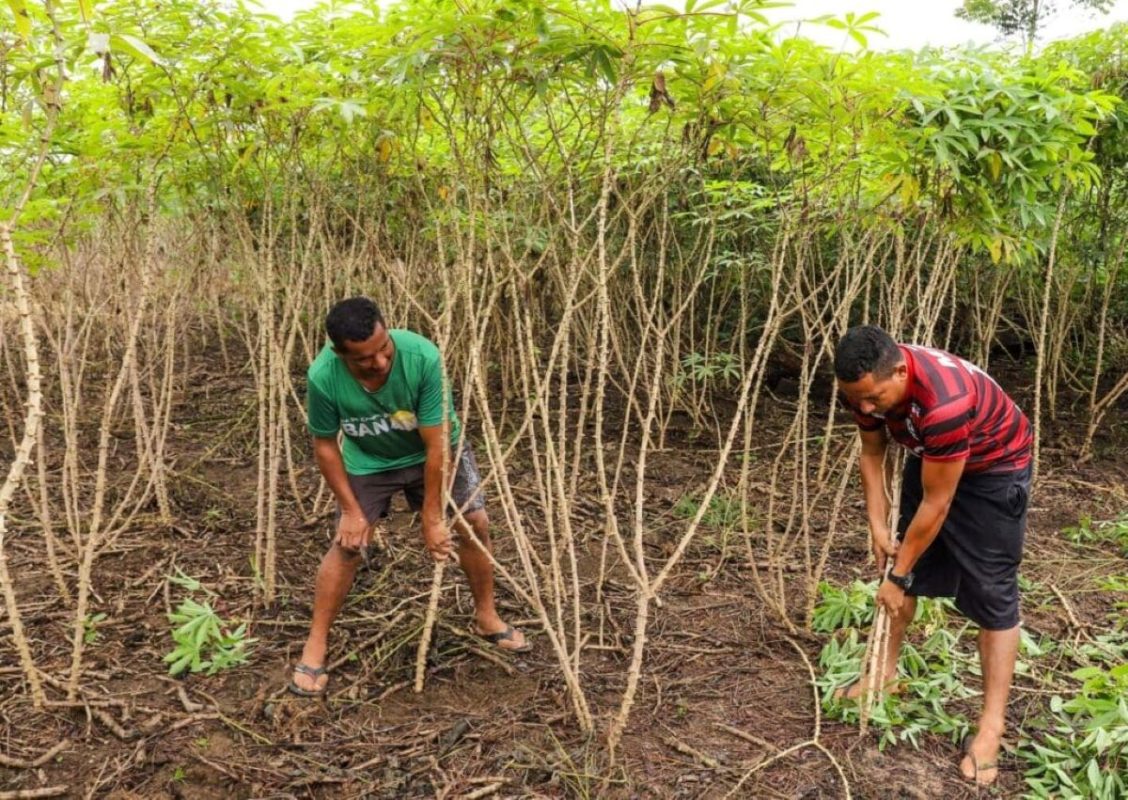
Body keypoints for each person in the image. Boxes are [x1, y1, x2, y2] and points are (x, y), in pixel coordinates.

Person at [289, 297, 530, 698]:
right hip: (368, 461)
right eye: (365, 359)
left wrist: (432, 516)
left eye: (384, 350)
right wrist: (351, 510)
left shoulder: (421, 355)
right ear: (339, 353)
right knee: (348, 544)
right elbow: (326, 446)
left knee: (473, 521)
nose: (380, 363)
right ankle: (316, 642)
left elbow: (436, 444)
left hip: (432, 453)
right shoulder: (323, 376)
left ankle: (486, 616)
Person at [833, 325, 1033, 787]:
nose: (865, 408)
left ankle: (991, 728)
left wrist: (898, 575)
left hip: (995, 469)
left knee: (992, 593)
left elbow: (937, 504)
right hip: (934, 456)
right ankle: (883, 676)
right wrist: (879, 528)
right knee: (902, 555)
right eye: (857, 400)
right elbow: (871, 450)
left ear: (901, 371)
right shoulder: (862, 385)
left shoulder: (944, 403)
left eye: (874, 399)